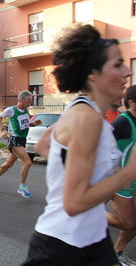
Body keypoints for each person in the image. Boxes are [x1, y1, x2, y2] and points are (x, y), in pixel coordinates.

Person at [21, 24, 135, 266]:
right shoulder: (87, 118)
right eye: (117, 65)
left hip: (92, 234)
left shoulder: (90, 113)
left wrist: (88, 168)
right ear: (93, 73)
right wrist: (128, 171)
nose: (127, 72)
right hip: (62, 243)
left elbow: (46, 145)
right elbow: (73, 204)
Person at [0, 90, 41, 197]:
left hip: (22, 140)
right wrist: (3, 130)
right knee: (28, 162)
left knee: (9, 164)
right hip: (14, 140)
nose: (29, 104)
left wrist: (33, 124)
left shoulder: (26, 111)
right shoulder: (11, 110)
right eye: (28, 101)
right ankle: (22, 187)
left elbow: (25, 125)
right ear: (21, 100)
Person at [107, 85, 136, 266]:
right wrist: (118, 171)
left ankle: (116, 252)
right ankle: (89, 213)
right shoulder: (122, 122)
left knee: (134, 223)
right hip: (120, 182)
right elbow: (102, 146)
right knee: (128, 224)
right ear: (132, 102)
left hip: (133, 179)